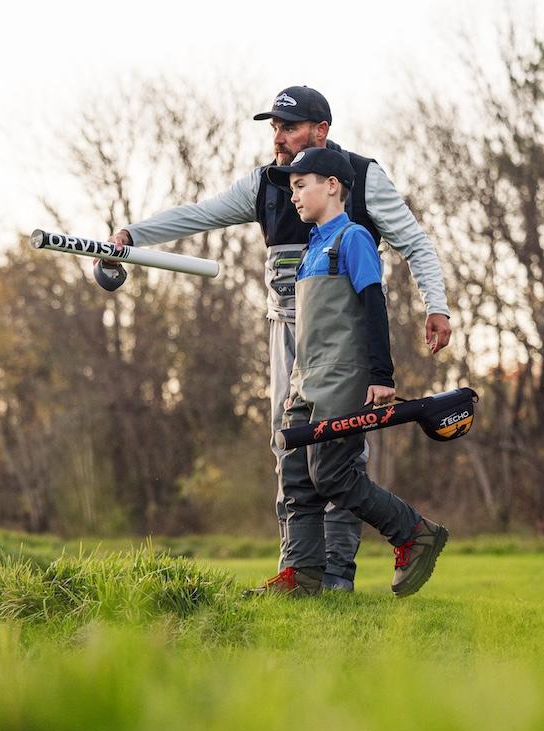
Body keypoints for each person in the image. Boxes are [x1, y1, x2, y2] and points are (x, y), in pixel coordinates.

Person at [105, 86, 451, 592]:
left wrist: (435, 305)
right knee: (287, 447)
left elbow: (413, 242)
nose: (279, 138)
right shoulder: (267, 185)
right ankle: (300, 569)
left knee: (337, 455)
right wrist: (132, 236)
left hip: (338, 340)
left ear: (321, 130)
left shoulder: (359, 178)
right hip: (284, 333)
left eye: (289, 127)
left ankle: (337, 573)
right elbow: (200, 213)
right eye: (274, 128)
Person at [246, 146, 449, 597]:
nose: (294, 197)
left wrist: (382, 376)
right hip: (305, 381)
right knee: (296, 475)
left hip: (343, 378)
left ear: (332, 186)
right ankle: (302, 576)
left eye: (301, 186)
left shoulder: (353, 238)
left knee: (334, 475)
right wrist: (294, 384)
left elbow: (374, 309)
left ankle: (415, 534)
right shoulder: (311, 247)